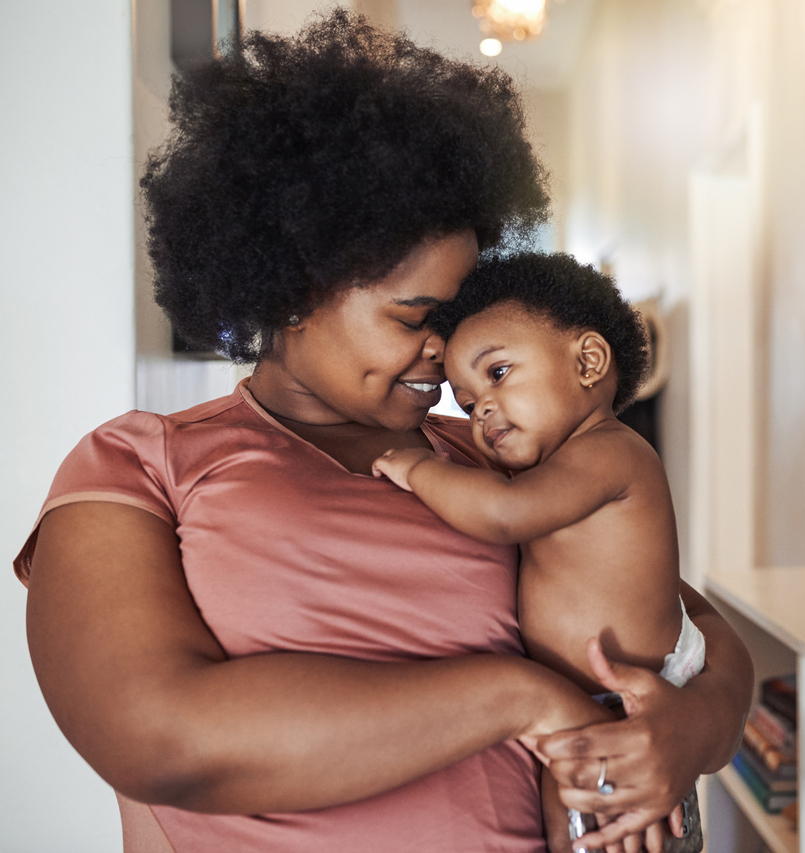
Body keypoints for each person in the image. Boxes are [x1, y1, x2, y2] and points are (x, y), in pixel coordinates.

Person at [13, 12, 753, 853]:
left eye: (465, 321)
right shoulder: (140, 463)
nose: (449, 354)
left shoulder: (491, 460)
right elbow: (162, 740)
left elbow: (687, 626)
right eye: (416, 316)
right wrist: (520, 697)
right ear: (293, 289)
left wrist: (697, 725)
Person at [372, 253, 706, 852]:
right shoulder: (562, 466)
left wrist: (420, 470)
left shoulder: (610, 452)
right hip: (587, 707)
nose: (483, 413)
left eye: (497, 374)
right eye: (469, 404)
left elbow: (502, 514)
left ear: (588, 361)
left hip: (628, 713)